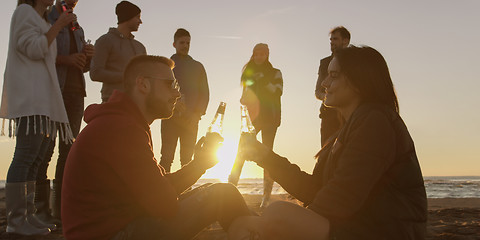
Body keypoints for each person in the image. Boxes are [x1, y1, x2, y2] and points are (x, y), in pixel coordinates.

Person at [241, 46, 428, 239]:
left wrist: (300, 219)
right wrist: (264, 156)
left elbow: (343, 196)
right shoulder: (346, 129)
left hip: (384, 230)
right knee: (227, 200)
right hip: (355, 224)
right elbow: (315, 188)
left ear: (358, 81)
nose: (324, 82)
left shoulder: (376, 121)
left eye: (333, 75)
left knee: (277, 214)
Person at [61, 55, 254, 240]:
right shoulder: (121, 128)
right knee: (223, 195)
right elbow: (165, 205)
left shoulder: (123, 122)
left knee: (216, 192)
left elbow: (158, 189)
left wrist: (200, 164)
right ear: (143, 84)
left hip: (118, 225)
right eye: (171, 84)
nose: (178, 93)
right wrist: (197, 167)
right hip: (111, 235)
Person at [0, 0, 75, 236]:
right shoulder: (24, 13)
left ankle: (28, 216)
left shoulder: (42, 20)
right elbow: (32, 48)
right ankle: (15, 220)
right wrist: (59, 25)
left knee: (36, 157)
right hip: (29, 100)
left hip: (43, 102)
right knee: (25, 156)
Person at [33, 0, 95, 226]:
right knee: (45, 150)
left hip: (76, 93)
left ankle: (61, 211)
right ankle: (41, 210)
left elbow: (83, 66)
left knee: (68, 153)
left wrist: (88, 56)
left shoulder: (77, 26)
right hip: (53, 91)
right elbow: (39, 52)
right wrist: (66, 59)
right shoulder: (47, 18)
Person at [238, 43, 283, 208]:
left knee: (267, 155)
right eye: (256, 54)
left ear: (267, 55)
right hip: (252, 118)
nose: (259, 57)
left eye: (262, 54)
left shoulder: (275, 73)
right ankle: (231, 186)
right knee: (241, 151)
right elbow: (243, 97)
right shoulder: (248, 73)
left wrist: (261, 82)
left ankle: (266, 195)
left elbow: (277, 90)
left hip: (271, 117)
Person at [159, 28, 209, 173]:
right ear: (174, 44)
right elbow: (160, 90)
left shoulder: (198, 67)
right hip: (169, 118)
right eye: (182, 42)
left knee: (187, 159)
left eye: (188, 43)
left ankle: (185, 193)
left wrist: (197, 114)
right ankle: (162, 191)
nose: (185, 45)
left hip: (191, 120)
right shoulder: (166, 66)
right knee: (166, 158)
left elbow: (204, 93)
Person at [90, 0, 146, 103]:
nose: (140, 21)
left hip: (136, 104)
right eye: (137, 17)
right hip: (112, 102)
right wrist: (125, 76)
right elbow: (95, 73)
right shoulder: (105, 41)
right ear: (127, 17)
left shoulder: (140, 47)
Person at [315, 26, 350, 146]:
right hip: (328, 116)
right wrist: (331, 98)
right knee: (325, 154)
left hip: (349, 116)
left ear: (345, 41)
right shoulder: (324, 63)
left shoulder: (355, 62)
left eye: (335, 39)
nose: (332, 43)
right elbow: (318, 91)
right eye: (331, 40)